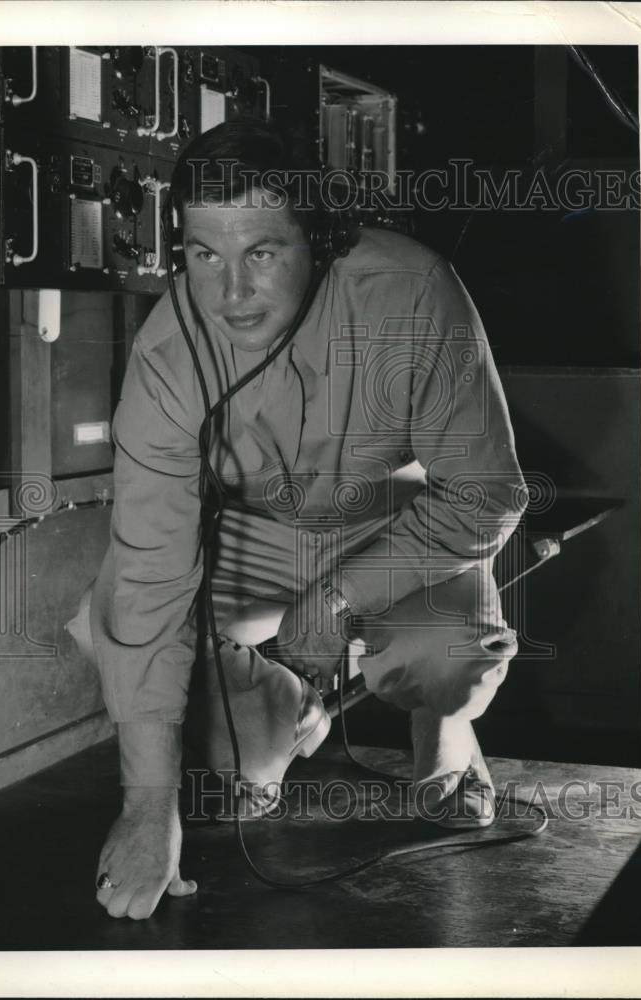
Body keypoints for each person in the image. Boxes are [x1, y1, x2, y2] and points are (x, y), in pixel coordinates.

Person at [66, 119, 528, 921]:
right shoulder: (168, 355)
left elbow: (484, 495)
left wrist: (338, 598)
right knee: (207, 762)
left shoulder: (413, 291)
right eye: (204, 255)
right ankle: (290, 701)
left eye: (263, 252)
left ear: (321, 235)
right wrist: (147, 807)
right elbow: (149, 572)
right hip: (252, 533)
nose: (229, 294)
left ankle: (441, 725)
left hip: (396, 520)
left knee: (448, 655)